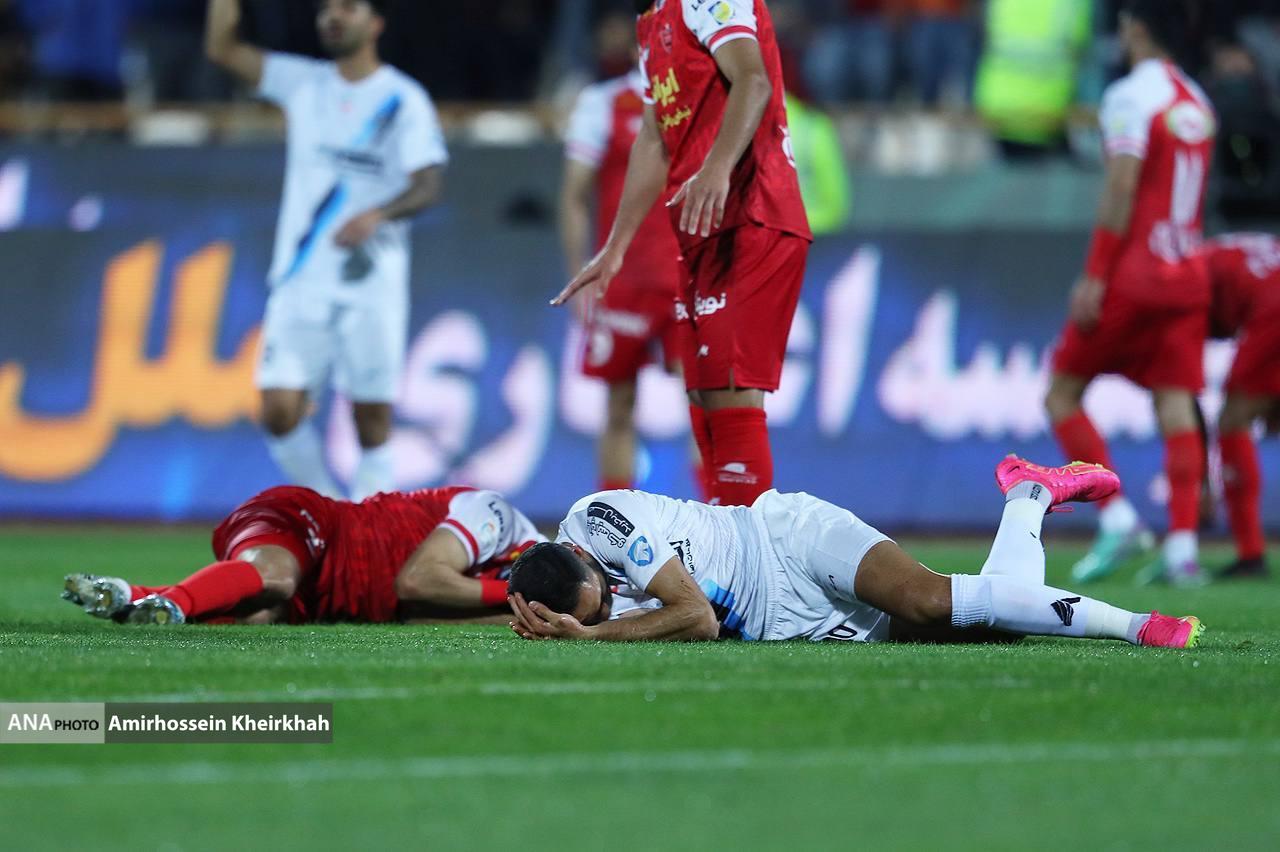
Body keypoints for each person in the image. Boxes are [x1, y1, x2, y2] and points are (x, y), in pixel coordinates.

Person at [505, 455, 1204, 649]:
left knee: (928, 597)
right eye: (596, 614)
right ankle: (1029, 496)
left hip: (786, 542)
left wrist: (590, 637)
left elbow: (696, 617)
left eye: (604, 592)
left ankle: (1136, 625)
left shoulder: (602, 519)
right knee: (993, 626)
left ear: (583, 556)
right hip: (789, 624)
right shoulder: (568, 591)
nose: (610, 604)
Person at [553, 0, 812, 508]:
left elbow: (753, 79)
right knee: (703, 396)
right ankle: (718, 536)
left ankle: (749, 546)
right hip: (700, 235)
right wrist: (616, 246)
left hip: (753, 214)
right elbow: (654, 138)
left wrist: (716, 167)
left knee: (730, 394)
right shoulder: (652, 25)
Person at [206, 0, 447, 501]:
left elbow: (428, 183)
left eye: (348, 7)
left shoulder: (403, 99)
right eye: (326, 9)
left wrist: (379, 215)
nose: (333, 17)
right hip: (301, 278)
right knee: (278, 410)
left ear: (376, 23)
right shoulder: (302, 82)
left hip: (372, 283)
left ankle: (372, 524)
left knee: (372, 419)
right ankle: (330, 507)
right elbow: (223, 49)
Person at [1043, 0, 1215, 586]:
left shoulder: (1129, 96)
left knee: (1061, 394)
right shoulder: (1197, 101)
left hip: (1136, 273)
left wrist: (1095, 274)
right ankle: (1183, 549)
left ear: (1137, 28)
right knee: (1175, 400)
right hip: (1188, 270)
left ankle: (1118, 520)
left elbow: (1122, 186)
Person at [62, 486, 545, 625]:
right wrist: (514, 598)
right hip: (313, 523)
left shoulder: (517, 584)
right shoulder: (496, 515)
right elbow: (418, 582)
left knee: (255, 619)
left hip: (321, 602)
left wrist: (524, 616)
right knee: (274, 577)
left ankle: (129, 598)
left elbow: (419, 613)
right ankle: (169, 603)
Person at [560, 16, 699, 495]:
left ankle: (722, 521)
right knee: (619, 406)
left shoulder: (699, 95)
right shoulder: (602, 102)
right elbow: (574, 195)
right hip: (624, 280)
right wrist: (579, 274)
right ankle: (613, 519)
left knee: (703, 403)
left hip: (687, 274)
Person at [1202, 233, 1280, 579]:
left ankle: (1251, 553)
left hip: (1272, 312)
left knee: (1233, 420)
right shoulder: (1221, 253)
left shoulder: (1188, 273)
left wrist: (1203, 484)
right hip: (1268, 305)